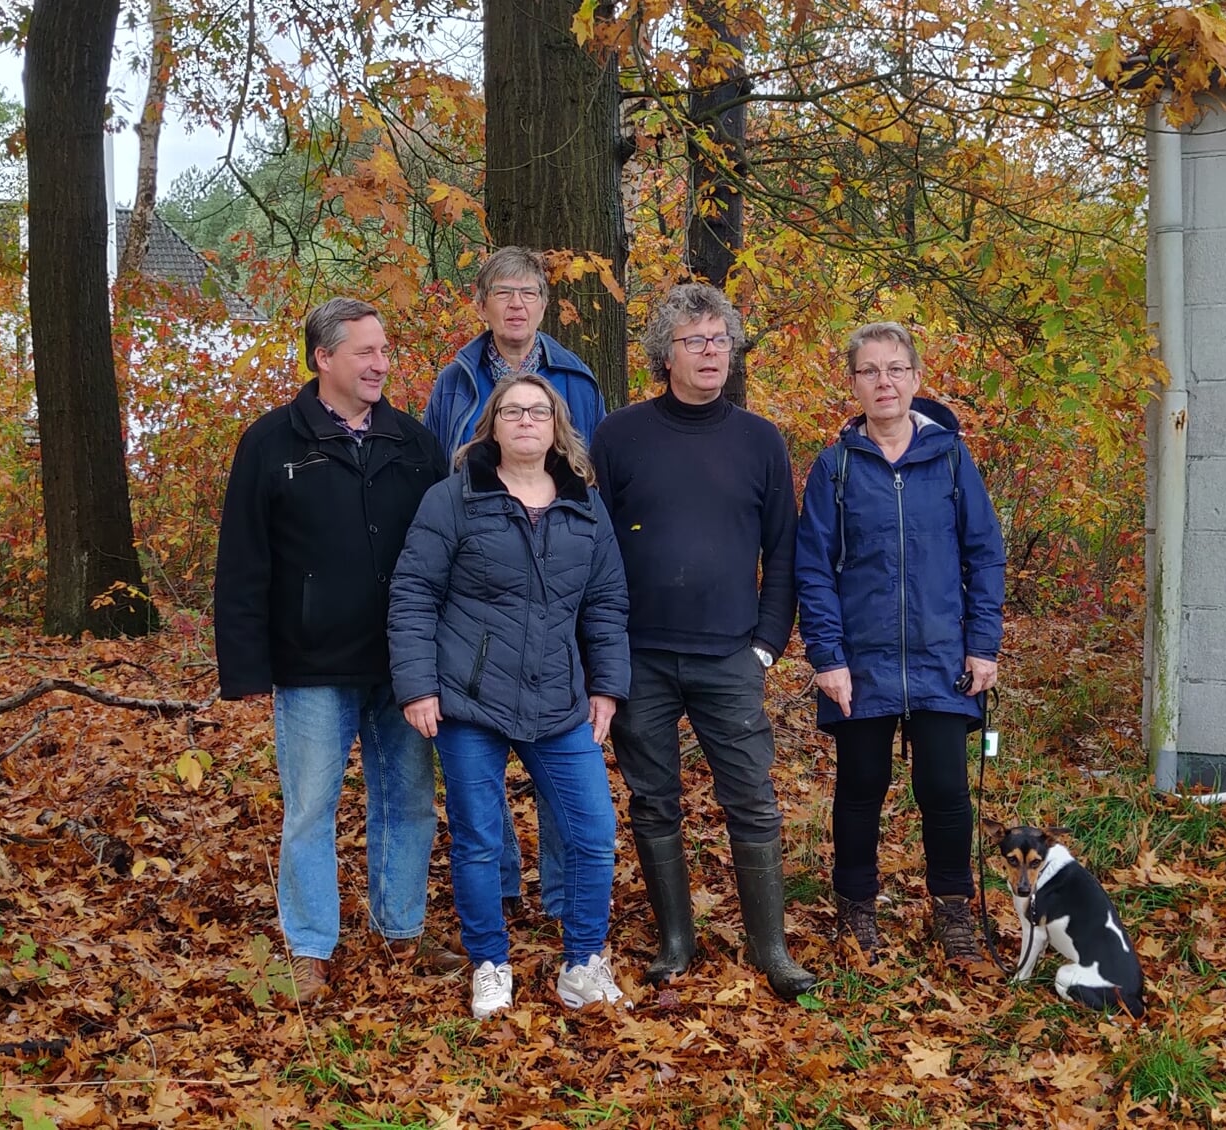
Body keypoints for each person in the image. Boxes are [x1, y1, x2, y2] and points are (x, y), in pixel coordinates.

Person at [214, 297, 466, 1005]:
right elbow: (242, 562)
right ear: (323, 358)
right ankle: (309, 947)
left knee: (410, 801)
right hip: (310, 662)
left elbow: (448, 552)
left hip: (403, 664)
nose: (381, 364)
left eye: (385, 351)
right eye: (366, 352)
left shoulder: (413, 444)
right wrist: (246, 670)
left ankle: (403, 929)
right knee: (309, 809)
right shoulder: (271, 442)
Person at [590, 283, 814, 999]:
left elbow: (783, 551)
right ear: (665, 354)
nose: (711, 352)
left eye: (720, 339)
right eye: (695, 341)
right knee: (653, 800)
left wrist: (765, 644)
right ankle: (674, 941)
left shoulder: (759, 440)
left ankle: (769, 946)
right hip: (640, 654)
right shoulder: (619, 436)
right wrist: (603, 649)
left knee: (751, 799)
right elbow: (592, 547)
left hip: (729, 653)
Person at [390, 374, 631, 1018]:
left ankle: (583, 962)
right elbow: (413, 593)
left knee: (592, 830)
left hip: (558, 702)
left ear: (557, 427)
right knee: (478, 837)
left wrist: (607, 685)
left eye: (540, 411)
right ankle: (490, 963)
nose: (527, 420)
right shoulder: (453, 499)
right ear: (492, 426)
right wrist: (417, 686)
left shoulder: (585, 505)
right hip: (470, 701)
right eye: (513, 411)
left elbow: (606, 603)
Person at [793, 321, 1006, 964]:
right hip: (863, 662)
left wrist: (983, 644)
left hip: (944, 656)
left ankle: (953, 913)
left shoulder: (949, 457)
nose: (883, 381)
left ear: (915, 378)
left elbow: (984, 553)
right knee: (860, 787)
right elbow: (813, 567)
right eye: (869, 371)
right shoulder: (834, 468)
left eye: (895, 369)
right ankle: (856, 912)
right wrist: (828, 657)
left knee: (945, 790)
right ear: (853, 382)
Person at [424, 246, 608, 924]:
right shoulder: (456, 381)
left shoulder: (577, 380)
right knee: (478, 762)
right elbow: (434, 485)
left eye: (528, 292)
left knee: (564, 750)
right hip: (479, 597)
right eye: (502, 292)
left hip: (560, 594)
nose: (515, 304)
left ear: (543, 303)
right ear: (481, 304)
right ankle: (499, 887)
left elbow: (594, 487)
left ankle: (562, 897)